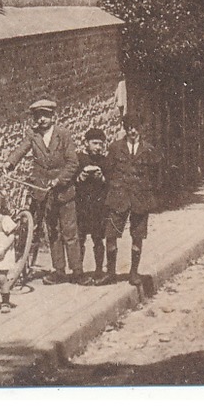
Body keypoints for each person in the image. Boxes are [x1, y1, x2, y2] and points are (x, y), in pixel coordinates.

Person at [3, 98, 80, 284]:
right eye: (38, 116)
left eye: (45, 115)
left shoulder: (63, 134)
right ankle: (59, 271)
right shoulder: (33, 135)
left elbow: (73, 162)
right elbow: (21, 150)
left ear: (53, 116)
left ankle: (77, 271)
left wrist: (59, 180)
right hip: (43, 190)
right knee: (52, 231)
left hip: (63, 190)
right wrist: (9, 163)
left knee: (69, 231)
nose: (42, 120)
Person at [104, 115, 160, 286]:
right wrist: (115, 186)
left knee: (138, 236)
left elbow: (157, 176)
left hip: (140, 198)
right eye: (129, 127)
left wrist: (149, 193)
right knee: (111, 234)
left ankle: (134, 273)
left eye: (135, 127)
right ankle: (111, 273)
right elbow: (107, 171)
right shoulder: (115, 148)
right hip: (119, 197)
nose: (132, 131)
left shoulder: (149, 150)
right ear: (125, 129)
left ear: (140, 129)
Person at [73, 127, 111, 285]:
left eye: (101, 144)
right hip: (81, 206)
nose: (98, 147)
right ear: (86, 143)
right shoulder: (78, 159)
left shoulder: (104, 161)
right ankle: (79, 271)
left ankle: (98, 270)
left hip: (98, 207)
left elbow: (109, 182)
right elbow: (71, 180)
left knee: (98, 238)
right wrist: (80, 177)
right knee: (80, 238)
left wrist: (102, 178)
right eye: (94, 143)